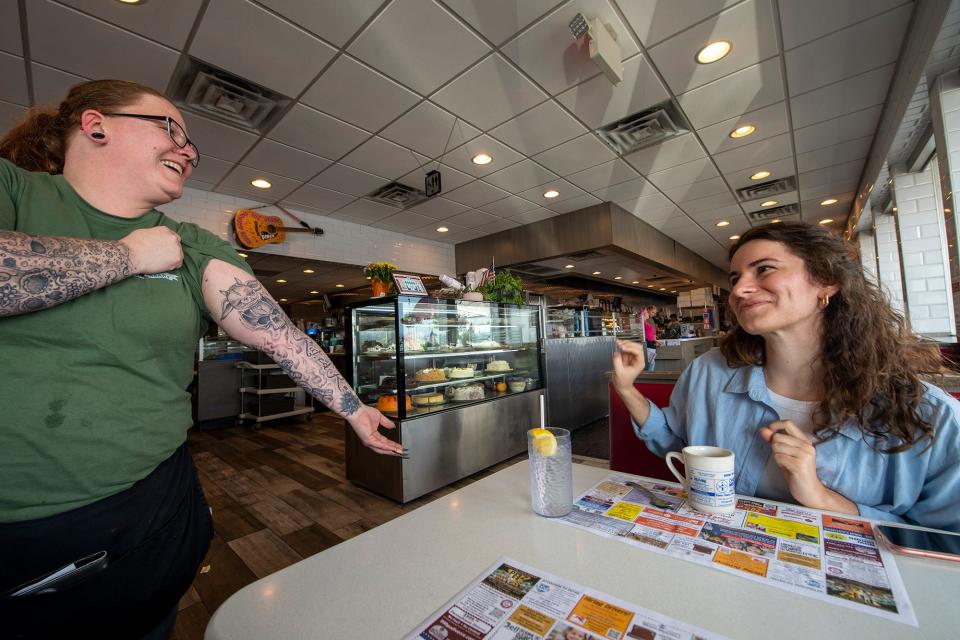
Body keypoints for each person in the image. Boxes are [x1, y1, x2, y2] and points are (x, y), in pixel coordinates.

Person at [0, 80, 403, 638]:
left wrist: (354, 409)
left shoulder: (190, 243)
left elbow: (280, 336)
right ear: (96, 125)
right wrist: (126, 255)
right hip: (24, 530)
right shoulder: (16, 192)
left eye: (191, 143)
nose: (187, 151)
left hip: (156, 503)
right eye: (170, 129)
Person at [612, 222, 960, 532]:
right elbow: (676, 443)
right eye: (735, 279)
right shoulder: (709, 373)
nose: (738, 290)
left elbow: (944, 543)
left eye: (764, 269)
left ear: (827, 281)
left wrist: (822, 498)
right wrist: (627, 389)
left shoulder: (928, 415)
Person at [642, 305, 658, 371]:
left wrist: (655, 340)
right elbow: (648, 334)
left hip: (651, 343)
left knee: (651, 362)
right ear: (647, 310)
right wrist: (655, 339)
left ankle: (650, 376)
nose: (653, 314)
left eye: (655, 313)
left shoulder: (650, 320)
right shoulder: (644, 321)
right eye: (652, 312)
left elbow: (651, 333)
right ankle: (649, 377)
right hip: (649, 343)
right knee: (651, 362)